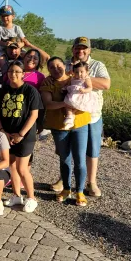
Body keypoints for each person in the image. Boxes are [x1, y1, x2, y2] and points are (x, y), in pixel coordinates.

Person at [40, 57, 91, 206]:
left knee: (80, 159)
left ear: (65, 66)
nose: (56, 69)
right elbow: (48, 104)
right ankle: (66, 188)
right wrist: (67, 103)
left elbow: (88, 89)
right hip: (59, 126)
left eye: (58, 66)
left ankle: (80, 191)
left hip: (79, 123)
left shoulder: (75, 77)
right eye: (52, 67)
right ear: (48, 69)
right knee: (64, 158)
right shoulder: (47, 83)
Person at [0, 61, 42, 213]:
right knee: (12, 166)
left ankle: (32, 198)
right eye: (10, 71)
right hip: (7, 134)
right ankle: (16, 195)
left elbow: (34, 114)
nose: (13, 74)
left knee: (22, 168)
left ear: (22, 73)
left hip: (25, 136)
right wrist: (2, 132)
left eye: (17, 71)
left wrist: (21, 134)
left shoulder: (30, 91)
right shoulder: (2, 91)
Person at [65, 37, 110, 197]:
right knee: (68, 148)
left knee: (92, 149)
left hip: (92, 115)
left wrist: (82, 77)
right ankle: (65, 181)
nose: (80, 51)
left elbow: (106, 84)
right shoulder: (66, 64)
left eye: (84, 48)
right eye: (78, 48)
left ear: (89, 50)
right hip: (70, 112)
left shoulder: (97, 65)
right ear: (73, 49)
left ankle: (91, 182)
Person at [63, 62, 99, 129]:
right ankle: (70, 117)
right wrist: (65, 87)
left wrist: (84, 90)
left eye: (82, 72)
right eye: (76, 72)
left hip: (82, 96)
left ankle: (71, 115)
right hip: (73, 96)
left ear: (87, 72)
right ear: (73, 72)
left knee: (78, 107)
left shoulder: (86, 79)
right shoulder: (72, 78)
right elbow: (70, 85)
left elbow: (90, 88)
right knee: (67, 104)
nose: (79, 74)